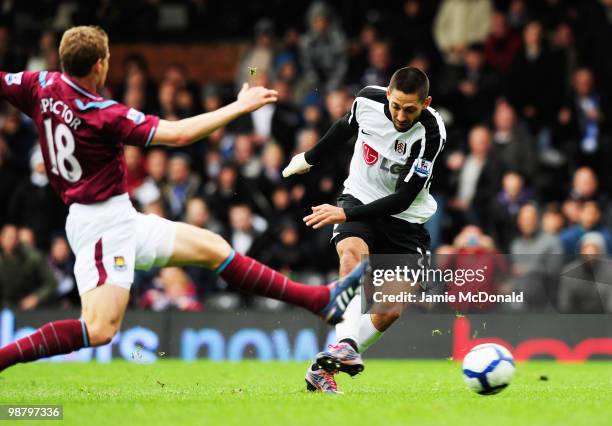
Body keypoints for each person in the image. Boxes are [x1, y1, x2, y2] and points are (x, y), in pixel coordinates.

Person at [0, 26, 366, 373]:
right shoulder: (102, 114)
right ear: (100, 64)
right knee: (98, 329)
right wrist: (239, 106)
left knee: (214, 248)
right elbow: (178, 134)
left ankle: (318, 300)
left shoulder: (39, 84)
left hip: (119, 217)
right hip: (100, 227)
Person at [283, 67, 446, 393]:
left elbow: (401, 199)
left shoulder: (431, 133)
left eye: (410, 109)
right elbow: (344, 127)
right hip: (359, 196)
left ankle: (321, 368)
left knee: (391, 308)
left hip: (405, 219)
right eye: (396, 105)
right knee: (352, 257)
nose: (401, 115)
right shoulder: (367, 101)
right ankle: (345, 343)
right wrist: (308, 158)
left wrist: (344, 213)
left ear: (426, 103)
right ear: (388, 93)